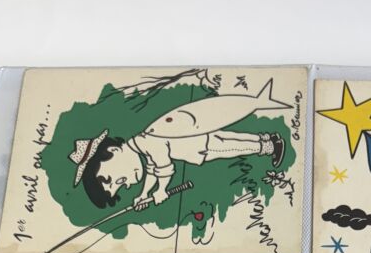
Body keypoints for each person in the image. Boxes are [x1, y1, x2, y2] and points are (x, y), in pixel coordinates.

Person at [69, 79, 289, 210]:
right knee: (231, 142)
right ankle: (267, 142)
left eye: (116, 179)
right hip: (197, 147)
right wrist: (144, 194)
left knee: (232, 146)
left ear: (113, 150)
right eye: (121, 186)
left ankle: (268, 145)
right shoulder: (143, 145)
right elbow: (152, 171)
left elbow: (164, 169)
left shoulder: (148, 141)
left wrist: (161, 191)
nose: (125, 183)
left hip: (199, 144)